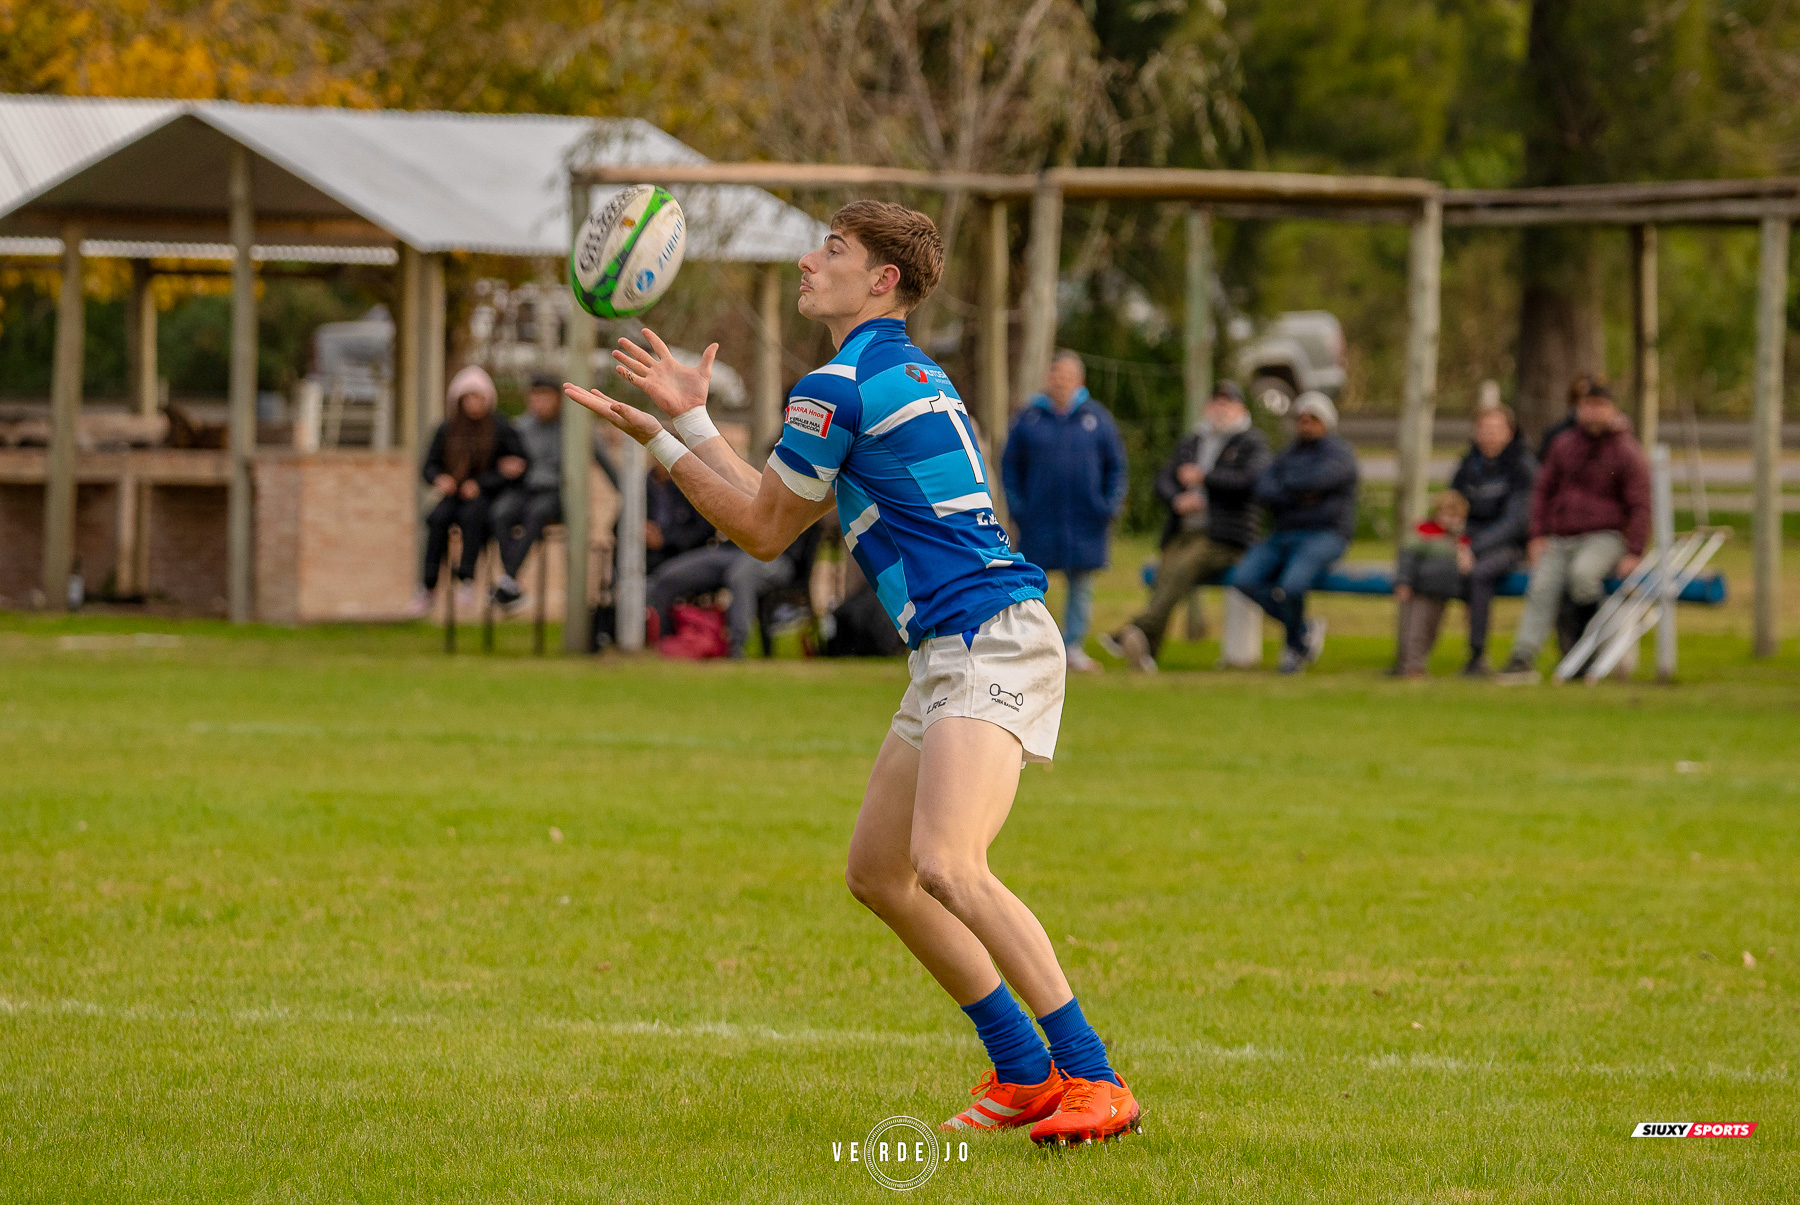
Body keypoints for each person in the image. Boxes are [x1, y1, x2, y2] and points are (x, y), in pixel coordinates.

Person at [562, 200, 1139, 1146]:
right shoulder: (881, 369)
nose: (805, 261)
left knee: (949, 864)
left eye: (830, 250)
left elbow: (755, 530)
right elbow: (767, 506)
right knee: (880, 871)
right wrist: (693, 418)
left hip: (989, 637)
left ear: (881, 280)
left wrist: (662, 440)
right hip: (950, 646)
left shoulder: (836, 383)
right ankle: (1024, 1070)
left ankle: (1092, 1074)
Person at [1099, 380, 1270, 671]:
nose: (1221, 408)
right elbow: (1164, 479)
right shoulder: (1194, 440)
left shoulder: (1251, 442)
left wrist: (1206, 479)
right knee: (1163, 576)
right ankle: (1147, 652)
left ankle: (1131, 631)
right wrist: (1178, 499)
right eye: (1216, 402)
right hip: (1184, 531)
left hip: (1225, 537)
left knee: (1179, 572)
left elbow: (1252, 482)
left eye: (1227, 403)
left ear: (1240, 408)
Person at [1498, 383, 1650, 682]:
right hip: (1561, 535)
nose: (1593, 413)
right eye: (1587, 406)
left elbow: (1640, 504)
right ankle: (1523, 656)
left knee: (1583, 576)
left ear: (1612, 409)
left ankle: (1586, 648)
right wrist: (1537, 535)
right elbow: (1542, 492)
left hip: (1605, 536)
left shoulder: (1626, 451)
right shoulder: (1563, 444)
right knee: (1541, 585)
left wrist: (1634, 551)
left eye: (1599, 406)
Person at [1000, 351, 1128, 673]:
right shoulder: (1028, 419)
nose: (1060, 380)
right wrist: (1019, 507)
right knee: (1031, 586)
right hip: (1039, 520)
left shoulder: (1097, 419)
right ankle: (1033, 647)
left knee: (1081, 587)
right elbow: (1010, 467)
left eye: (1067, 375)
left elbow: (1117, 467)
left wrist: (1108, 506)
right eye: (1055, 374)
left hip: (1086, 522)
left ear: (1079, 380)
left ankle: (1073, 647)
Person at [1233, 391, 1358, 673]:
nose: (1306, 424)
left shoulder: (1340, 454)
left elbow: (1322, 480)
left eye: (1313, 418)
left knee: (1291, 586)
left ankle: (1293, 649)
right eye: (1301, 418)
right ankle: (1302, 630)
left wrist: (1288, 489)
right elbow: (1263, 486)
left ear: (1326, 422)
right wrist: (1302, 494)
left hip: (1325, 534)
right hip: (1284, 534)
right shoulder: (1288, 453)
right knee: (1243, 579)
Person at [410, 366, 524, 616]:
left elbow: (513, 466)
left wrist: (481, 484)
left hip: (483, 496)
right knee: (436, 519)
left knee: (472, 518)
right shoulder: (446, 429)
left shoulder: (500, 428)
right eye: (468, 398)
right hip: (453, 493)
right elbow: (428, 465)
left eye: (478, 398)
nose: (474, 404)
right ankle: (428, 583)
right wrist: (439, 479)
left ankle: (467, 578)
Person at [1447, 404, 1536, 674]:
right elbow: (1452, 507)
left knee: (1479, 573)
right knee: (1426, 568)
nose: (1489, 435)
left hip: (1511, 546)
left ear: (1510, 432)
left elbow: (1515, 523)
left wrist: (1472, 548)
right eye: (1484, 429)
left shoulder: (1522, 466)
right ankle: (1411, 660)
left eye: (1496, 429)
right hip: (1468, 544)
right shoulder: (1467, 464)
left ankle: (1477, 656)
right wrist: (1457, 542)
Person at [645, 524, 822, 657]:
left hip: (778, 556)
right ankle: (664, 645)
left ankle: (736, 649)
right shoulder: (750, 477)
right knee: (670, 574)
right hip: (733, 550)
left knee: (740, 575)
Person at [490, 375, 565, 611]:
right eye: (536, 396)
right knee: (501, 512)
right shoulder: (519, 427)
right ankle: (510, 581)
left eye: (546, 396)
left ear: (558, 399)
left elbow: (603, 461)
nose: (540, 402)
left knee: (538, 511)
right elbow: (499, 460)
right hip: (522, 489)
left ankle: (507, 580)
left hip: (553, 494)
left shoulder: (573, 429)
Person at [1393, 490, 1470, 678]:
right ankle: (1411, 668)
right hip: (1420, 591)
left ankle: (1417, 665)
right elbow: (1407, 558)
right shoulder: (1423, 533)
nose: (1449, 519)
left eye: (1454, 516)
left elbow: (1465, 570)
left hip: (1442, 594)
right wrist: (1403, 581)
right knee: (1414, 631)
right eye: (1445, 514)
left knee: (1431, 632)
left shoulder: (1460, 541)